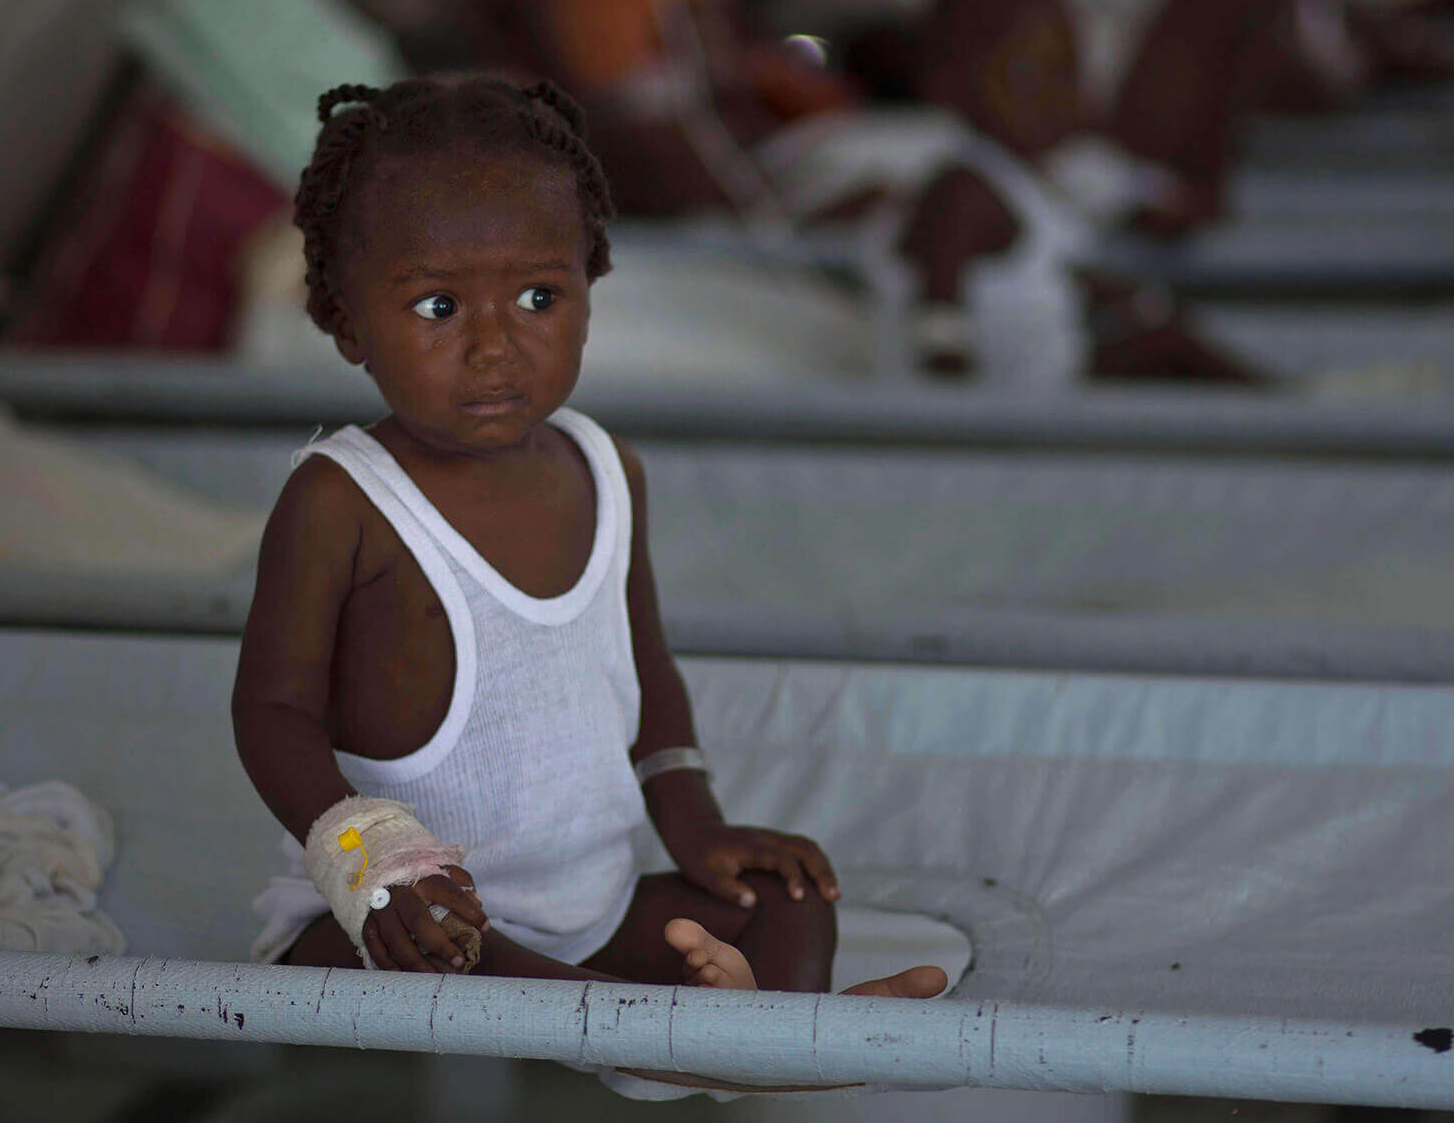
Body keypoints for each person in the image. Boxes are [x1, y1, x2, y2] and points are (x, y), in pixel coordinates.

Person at [230, 76, 946, 1060]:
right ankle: (767, 1054)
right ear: (347, 323)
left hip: (594, 912)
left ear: (589, 284)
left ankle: (750, 1037)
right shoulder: (341, 499)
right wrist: (371, 866)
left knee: (785, 892)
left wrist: (696, 828)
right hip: (407, 924)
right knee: (471, 969)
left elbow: (646, 680)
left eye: (537, 297)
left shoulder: (606, 471)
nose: (493, 345)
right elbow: (270, 715)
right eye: (437, 305)